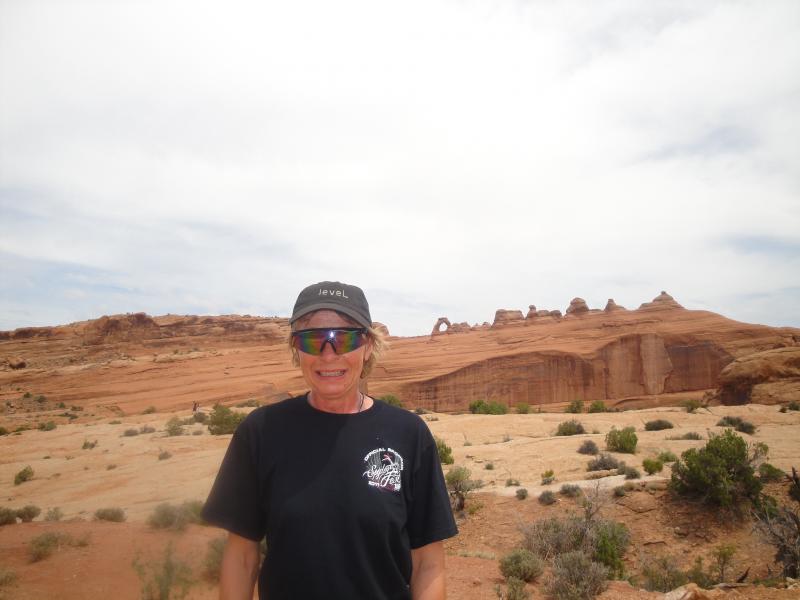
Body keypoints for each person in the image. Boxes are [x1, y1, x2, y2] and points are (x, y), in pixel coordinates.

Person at [202, 281, 458, 599]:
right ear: (296, 349)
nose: (328, 353)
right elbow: (241, 558)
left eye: (345, 338)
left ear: (367, 346)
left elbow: (428, 563)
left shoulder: (408, 434)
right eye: (312, 339)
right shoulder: (262, 431)